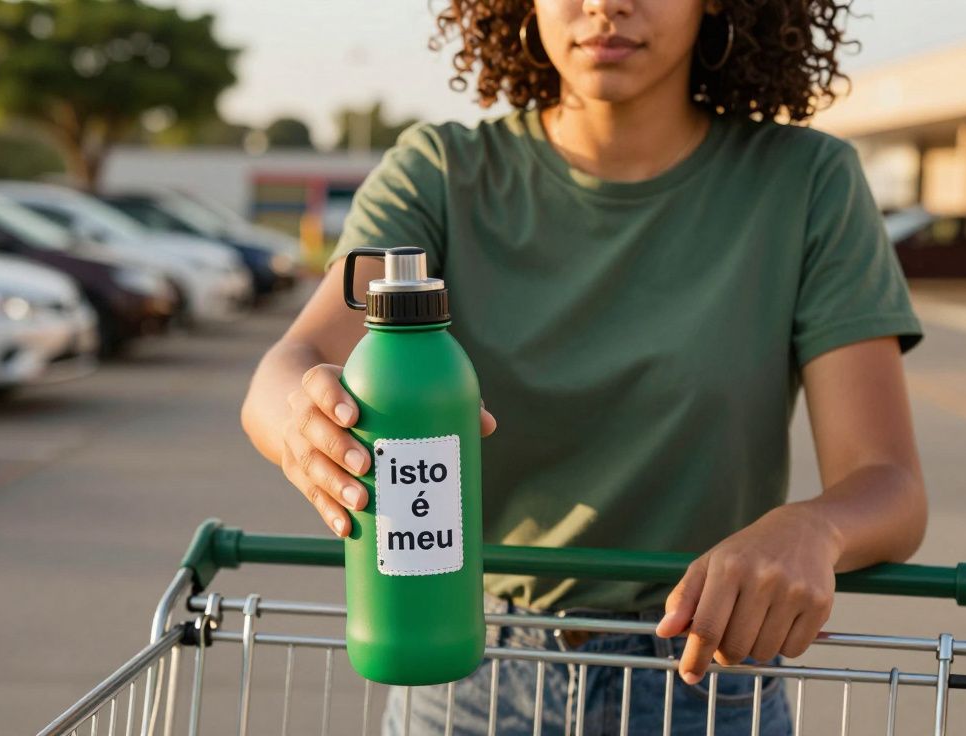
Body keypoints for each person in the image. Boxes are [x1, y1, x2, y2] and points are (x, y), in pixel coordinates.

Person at [241, 0, 927, 733]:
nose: (607, 4)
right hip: (464, 668)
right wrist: (308, 422)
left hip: (704, 674)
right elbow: (295, 362)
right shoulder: (439, 173)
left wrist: (811, 529)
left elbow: (887, 486)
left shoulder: (807, 183)